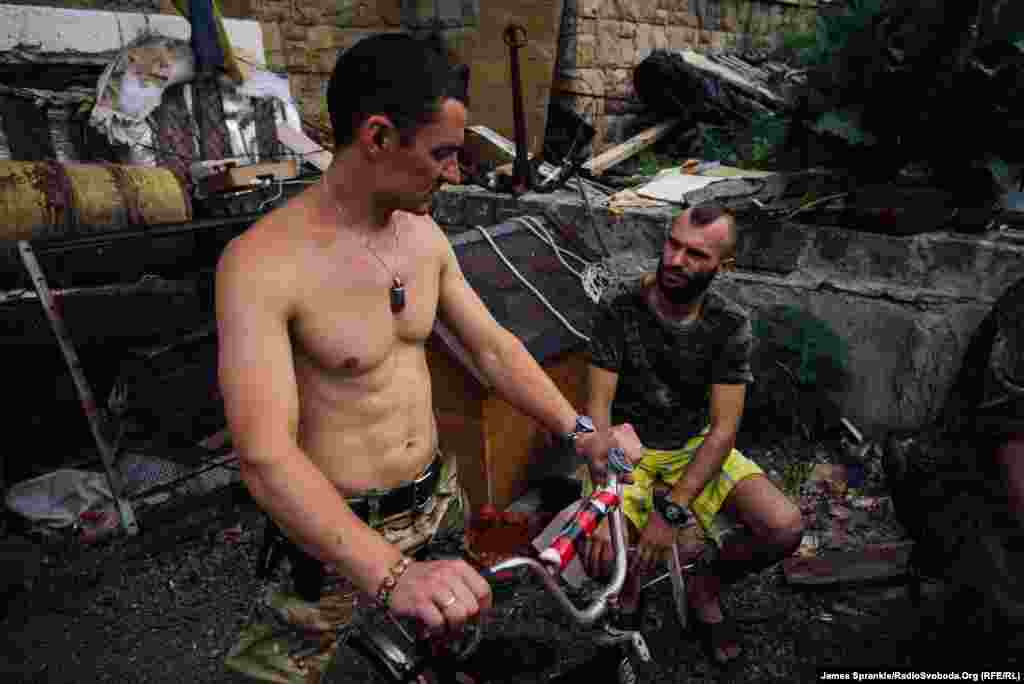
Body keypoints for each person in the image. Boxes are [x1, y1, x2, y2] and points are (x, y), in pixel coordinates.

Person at [215, 33, 642, 683]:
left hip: (437, 503)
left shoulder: (422, 235)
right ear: (379, 137)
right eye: (443, 153)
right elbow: (264, 454)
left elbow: (492, 348)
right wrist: (391, 576)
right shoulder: (261, 265)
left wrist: (579, 431)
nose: (456, 171)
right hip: (330, 535)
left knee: (449, 648)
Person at [581, 204, 804, 666]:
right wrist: (603, 500)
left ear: (724, 267)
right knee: (601, 552)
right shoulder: (620, 307)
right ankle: (628, 596)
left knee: (784, 527)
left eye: (696, 254)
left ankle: (706, 585)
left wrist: (672, 510)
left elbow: (724, 430)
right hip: (626, 452)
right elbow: (597, 413)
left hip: (692, 447)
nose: (676, 260)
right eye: (672, 244)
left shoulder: (729, 324)